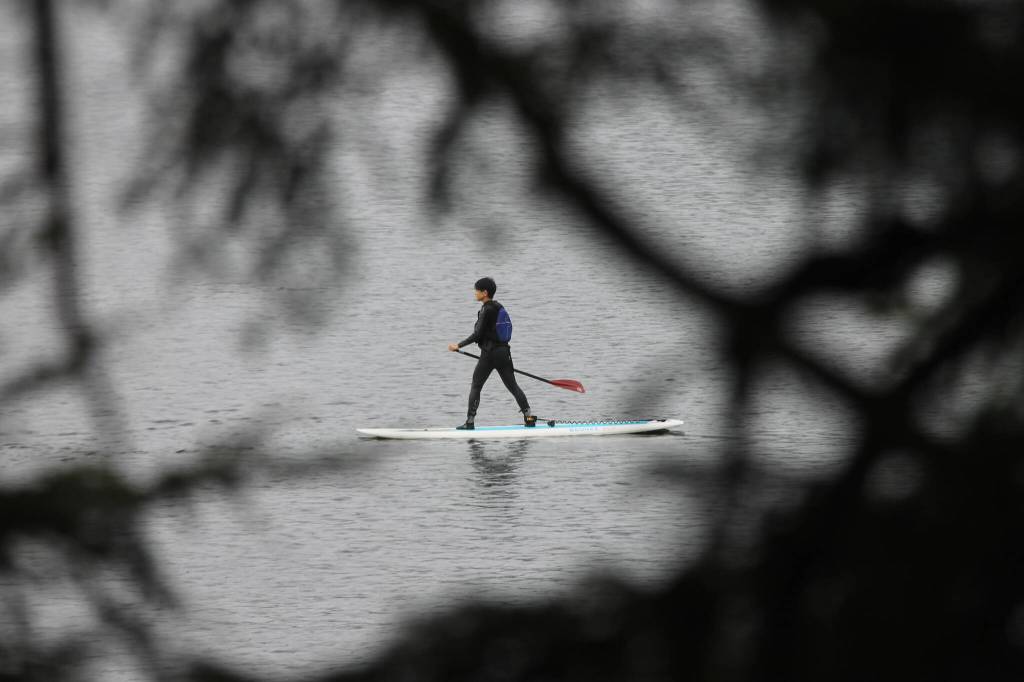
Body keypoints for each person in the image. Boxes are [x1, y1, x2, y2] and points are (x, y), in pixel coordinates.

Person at [448, 277, 536, 430]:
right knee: (513, 386)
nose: (475, 293)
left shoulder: (486, 310)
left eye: (476, 290)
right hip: (504, 353)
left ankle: (469, 422)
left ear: (485, 292)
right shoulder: (498, 307)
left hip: (489, 354)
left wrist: (458, 345)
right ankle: (529, 417)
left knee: (476, 385)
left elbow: (477, 334)